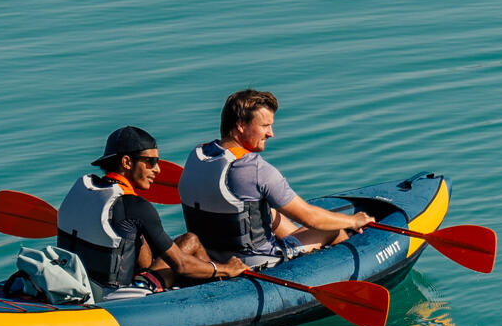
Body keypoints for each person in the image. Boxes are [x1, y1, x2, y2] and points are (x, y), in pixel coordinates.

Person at [179, 89, 375, 269]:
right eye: (265, 126)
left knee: (270, 213)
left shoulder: (197, 155)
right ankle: (345, 269)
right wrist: (352, 220)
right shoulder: (255, 168)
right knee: (332, 230)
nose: (271, 133)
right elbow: (311, 218)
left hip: (209, 253)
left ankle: (300, 242)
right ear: (240, 126)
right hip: (257, 260)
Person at [54, 126, 246, 293]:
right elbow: (181, 265)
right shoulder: (135, 207)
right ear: (127, 162)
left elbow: (142, 261)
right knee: (192, 249)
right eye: (151, 162)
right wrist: (226, 268)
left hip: (78, 283)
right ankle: (220, 291)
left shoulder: (83, 189)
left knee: (189, 240)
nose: (158, 170)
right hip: (118, 297)